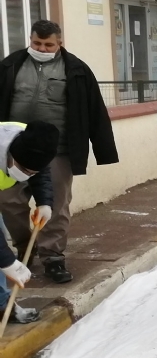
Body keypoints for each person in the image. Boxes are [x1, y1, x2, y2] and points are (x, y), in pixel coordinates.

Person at [0, 20, 118, 284]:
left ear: (59, 43)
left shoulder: (76, 70)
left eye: (48, 44)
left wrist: (104, 150)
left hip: (59, 151)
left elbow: (95, 110)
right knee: (8, 201)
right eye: (37, 43)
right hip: (13, 150)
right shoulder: (11, 65)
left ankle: (52, 256)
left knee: (55, 205)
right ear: (30, 40)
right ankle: (23, 248)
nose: (42, 48)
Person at [0, 121, 59, 324]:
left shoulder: (33, 139)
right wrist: (7, 261)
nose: (26, 176)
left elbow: (39, 170)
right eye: (23, 169)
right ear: (11, 155)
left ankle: (2, 307)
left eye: (31, 173)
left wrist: (44, 203)